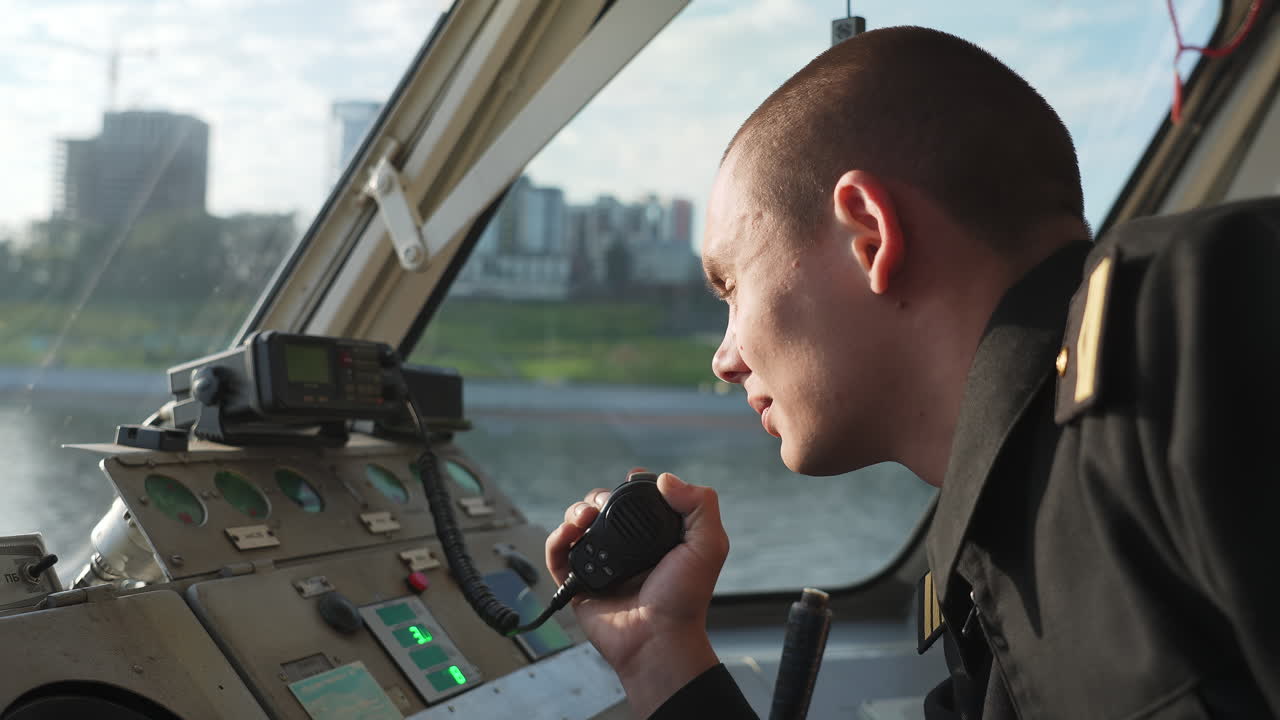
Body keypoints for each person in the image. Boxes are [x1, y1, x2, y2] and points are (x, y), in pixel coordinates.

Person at [544, 25, 1280, 719]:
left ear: (868, 236)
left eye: (732, 287)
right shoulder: (989, 563)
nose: (724, 357)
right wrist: (657, 652)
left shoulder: (1202, 315)